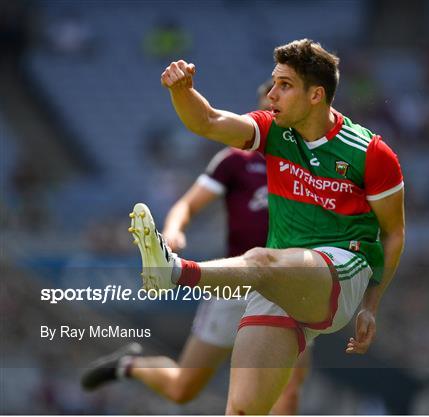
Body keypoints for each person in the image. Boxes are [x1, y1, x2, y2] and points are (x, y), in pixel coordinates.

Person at [129, 39, 404, 414]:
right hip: (278, 284)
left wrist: (371, 305)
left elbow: (394, 234)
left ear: (316, 95)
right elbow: (208, 121)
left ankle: (174, 272)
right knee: (242, 411)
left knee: (260, 260)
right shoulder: (273, 130)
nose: (271, 94)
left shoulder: (371, 153)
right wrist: (183, 91)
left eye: (284, 85)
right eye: (274, 83)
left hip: (341, 272)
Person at [81, 81, 309, 414]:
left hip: (288, 285)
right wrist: (173, 232)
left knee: (288, 393)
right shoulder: (234, 160)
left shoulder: (311, 160)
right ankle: (130, 365)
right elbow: (187, 205)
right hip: (237, 283)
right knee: (182, 388)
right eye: (266, 110)